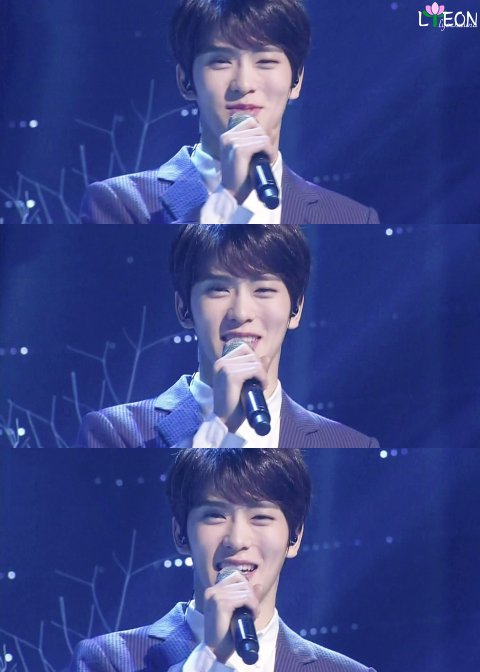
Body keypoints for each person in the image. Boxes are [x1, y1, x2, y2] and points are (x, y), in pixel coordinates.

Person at [69, 448, 378, 671]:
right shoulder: (108, 660)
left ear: (294, 537)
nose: (237, 540)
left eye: (260, 517)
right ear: (180, 534)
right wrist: (210, 657)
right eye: (215, 515)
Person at [76, 225, 379, 448]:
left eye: (264, 289)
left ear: (296, 309)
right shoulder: (117, 433)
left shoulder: (345, 442)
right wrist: (216, 425)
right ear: (183, 309)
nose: (241, 312)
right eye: (219, 289)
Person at [80, 0, 379, 225]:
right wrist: (227, 197)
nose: (243, 84)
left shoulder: (351, 217)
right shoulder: (121, 203)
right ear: (185, 81)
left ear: (296, 80)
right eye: (221, 61)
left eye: (265, 61)